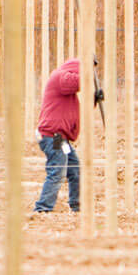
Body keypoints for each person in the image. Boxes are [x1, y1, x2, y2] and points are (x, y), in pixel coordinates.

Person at [35, 57, 101, 214]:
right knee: (57, 170)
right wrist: (87, 71)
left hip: (60, 138)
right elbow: (73, 82)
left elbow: (75, 113)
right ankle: (42, 209)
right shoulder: (60, 77)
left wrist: (93, 100)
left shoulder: (68, 94)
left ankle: (76, 206)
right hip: (53, 136)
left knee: (74, 168)